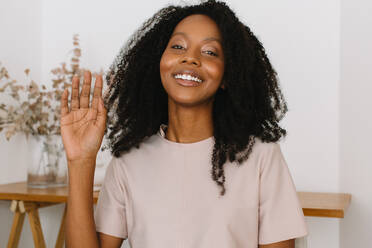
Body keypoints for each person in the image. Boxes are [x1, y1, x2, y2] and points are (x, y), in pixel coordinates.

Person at [61, 0, 308, 247]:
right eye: (178, 46)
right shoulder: (128, 161)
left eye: (210, 52)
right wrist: (80, 162)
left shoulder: (261, 157)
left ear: (227, 77)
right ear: (158, 64)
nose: (190, 58)